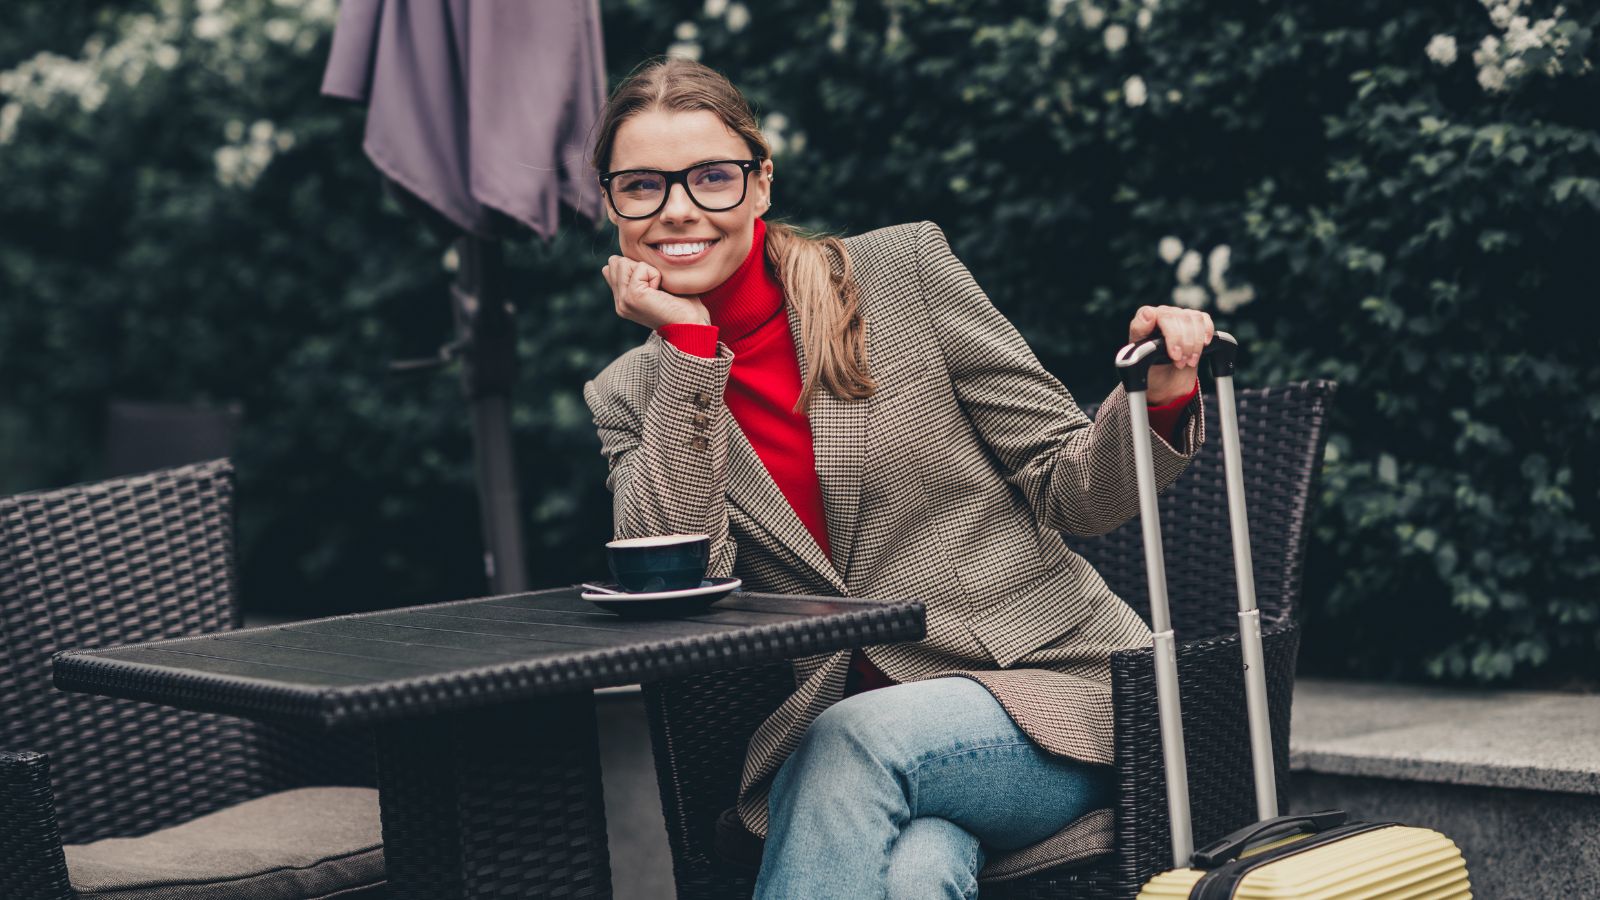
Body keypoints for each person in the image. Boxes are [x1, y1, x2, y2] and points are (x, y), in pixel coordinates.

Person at [583, 58, 1213, 900]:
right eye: (642, 187)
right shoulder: (633, 392)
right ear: (609, 203)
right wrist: (690, 351)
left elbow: (1073, 492)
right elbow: (678, 578)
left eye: (710, 178)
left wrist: (1158, 401)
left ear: (761, 184)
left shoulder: (903, 274)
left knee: (855, 743)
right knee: (915, 872)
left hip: (1058, 698)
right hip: (852, 752)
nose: (678, 210)